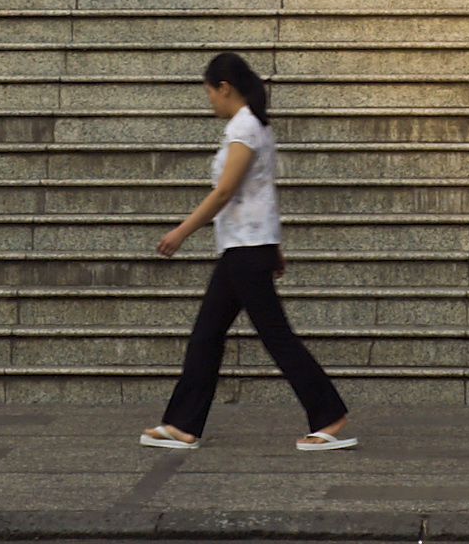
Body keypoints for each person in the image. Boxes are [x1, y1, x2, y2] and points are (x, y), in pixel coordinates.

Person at [143, 48, 354, 453]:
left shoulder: (245, 128)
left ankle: (327, 414)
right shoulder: (255, 125)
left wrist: (181, 232)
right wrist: (274, 248)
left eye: (209, 92)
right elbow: (261, 193)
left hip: (245, 249)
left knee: (271, 337)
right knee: (209, 335)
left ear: (225, 88)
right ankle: (183, 425)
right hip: (247, 247)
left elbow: (225, 191)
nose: (208, 100)